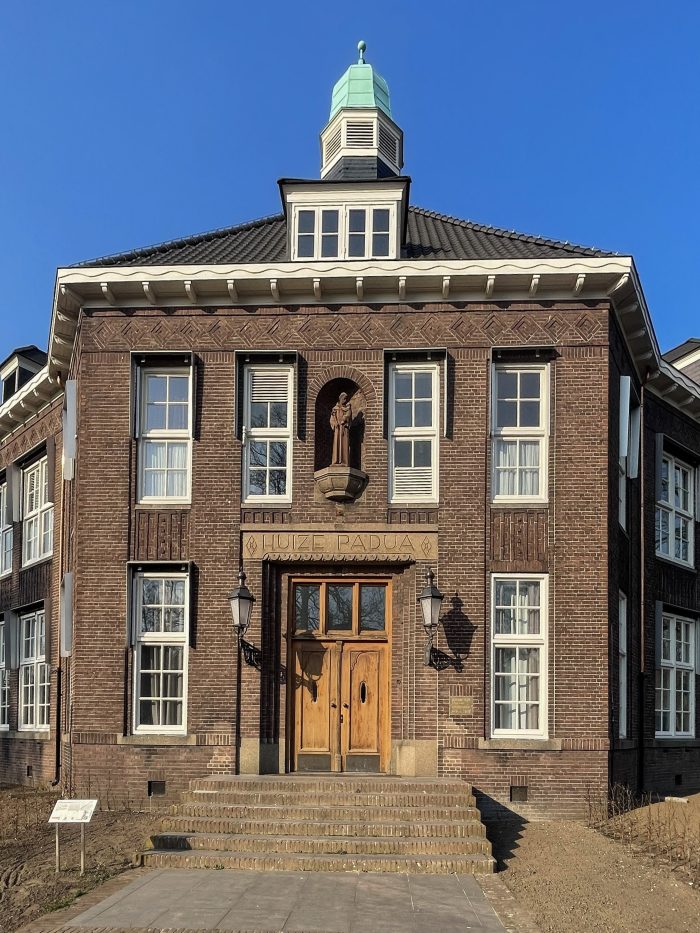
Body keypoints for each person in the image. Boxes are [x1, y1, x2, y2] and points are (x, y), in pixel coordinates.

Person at [330, 392, 352, 465]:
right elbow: (332, 418)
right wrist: (334, 423)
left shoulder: (347, 408)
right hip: (337, 429)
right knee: (336, 443)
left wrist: (344, 419)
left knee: (344, 444)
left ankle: (344, 461)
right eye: (344, 399)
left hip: (344, 428)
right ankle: (336, 461)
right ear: (340, 399)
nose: (345, 400)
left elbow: (348, 416)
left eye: (346, 399)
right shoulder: (335, 409)